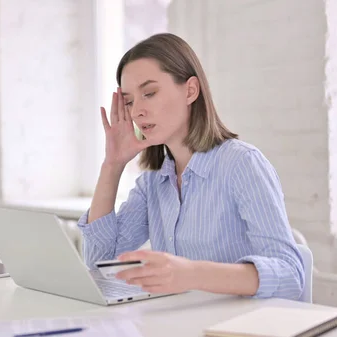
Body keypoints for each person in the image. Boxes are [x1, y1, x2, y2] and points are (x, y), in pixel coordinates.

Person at [77, 33, 305, 300]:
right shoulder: (153, 181)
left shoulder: (242, 164)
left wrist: (190, 274)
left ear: (190, 90)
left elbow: (290, 275)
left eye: (149, 93)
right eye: (129, 101)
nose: (137, 111)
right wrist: (112, 165)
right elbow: (98, 264)